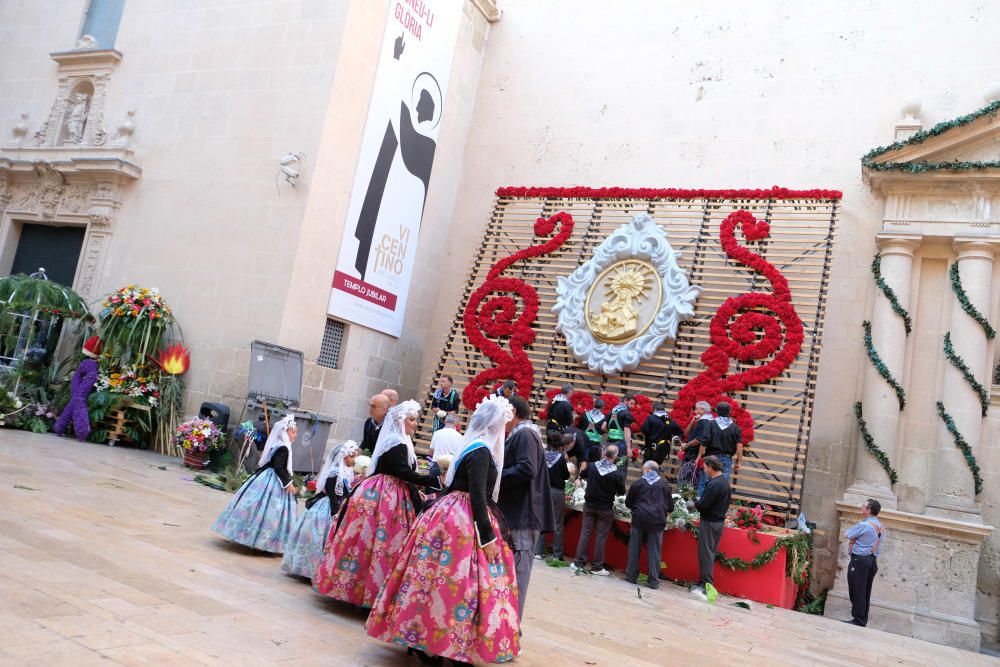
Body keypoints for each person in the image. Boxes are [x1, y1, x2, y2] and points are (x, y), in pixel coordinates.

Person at [366, 395, 521, 665]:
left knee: (432, 579)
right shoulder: (482, 450)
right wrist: (487, 538)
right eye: (504, 424)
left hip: (448, 514)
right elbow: (476, 494)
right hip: (463, 521)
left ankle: (424, 637)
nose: (505, 430)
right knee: (459, 585)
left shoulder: (472, 445)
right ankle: (443, 642)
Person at [313, 401, 440, 608]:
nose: (415, 424)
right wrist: (430, 480)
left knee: (382, 542)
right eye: (412, 419)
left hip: (393, 494)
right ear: (401, 420)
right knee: (372, 539)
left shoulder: (401, 441)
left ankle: (373, 591)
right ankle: (360, 590)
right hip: (384, 495)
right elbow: (402, 472)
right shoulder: (395, 442)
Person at [498, 395, 554, 620]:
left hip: (523, 515)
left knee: (516, 579)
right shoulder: (520, 434)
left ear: (513, 412)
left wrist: (496, 477)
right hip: (517, 514)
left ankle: (511, 632)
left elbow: (526, 469)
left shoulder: (525, 434)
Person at [212, 415, 299, 553]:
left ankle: (249, 535)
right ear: (285, 431)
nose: (295, 435)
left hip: (265, 476)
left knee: (257, 507)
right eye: (293, 432)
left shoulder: (278, 444)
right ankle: (262, 540)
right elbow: (279, 467)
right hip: (274, 479)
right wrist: (288, 483)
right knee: (269, 511)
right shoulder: (283, 447)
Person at [281, 441, 358, 578]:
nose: (354, 459)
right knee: (319, 538)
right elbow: (333, 496)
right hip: (327, 508)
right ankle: (311, 569)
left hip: (338, 505)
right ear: (343, 457)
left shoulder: (347, 472)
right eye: (351, 456)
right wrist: (336, 514)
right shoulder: (334, 473)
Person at [571, 444, 626, 576]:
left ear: (604, 453)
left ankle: (578, 562)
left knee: (585, 533)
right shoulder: (617, 473)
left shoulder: (592, 466)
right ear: (615, 456)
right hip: (605, 509)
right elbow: (621, 492)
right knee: (601, 537)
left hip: (589, 506)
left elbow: (582, 475)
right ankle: (597, 567)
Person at [624, 461, 674, 589]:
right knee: (655, 551)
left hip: (639, 518)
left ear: (647, 469)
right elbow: (670, 507)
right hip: (657, 521)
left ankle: (631, 576)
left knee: (634, 548)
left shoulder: (638, 483)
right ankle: (653, 581)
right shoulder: (665, 485)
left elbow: (628, 503)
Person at [691, 455, 731, 601]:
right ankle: (704, 581)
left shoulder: (714, 484)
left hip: (709, 522)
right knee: (709, 552)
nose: (704, 469)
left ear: (711, 467)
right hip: (718, 522)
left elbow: (703, 506)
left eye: (706, 466)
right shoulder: (725, 483)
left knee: (705, 553)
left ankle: (706, 584)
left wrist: (694, 502)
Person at [843, 499, 884, 627]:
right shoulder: (881, 526)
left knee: (856, 589)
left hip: (860, 560)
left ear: (869, 510)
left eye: (864, 506)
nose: (861, 507)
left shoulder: (864, 525)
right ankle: (862, 619)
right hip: (872, 561)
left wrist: (855, 537)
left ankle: (858, 619)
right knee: (865, 591)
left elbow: (847, 534)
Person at [534, 432, 573, 561]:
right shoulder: (561, 458)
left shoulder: (542, 455)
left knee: (541, 520)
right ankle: (557, 555)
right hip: (557, 492)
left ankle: (537, 552)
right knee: (558, 524)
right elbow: (566, 475)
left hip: (542, 490)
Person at [698, 401, 742, 497]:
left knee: (704, 483)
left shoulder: (710, 424)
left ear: (717, 411)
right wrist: (739, 462)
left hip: (710, 457)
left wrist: (699, 456)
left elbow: (704, 442)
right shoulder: (735, 428)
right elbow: (739, 446)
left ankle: (699, 507)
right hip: (726, 459)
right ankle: (715, 507)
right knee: (721, 485)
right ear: (729, 412)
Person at [679, 401, 713, 492]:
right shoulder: (701, 421)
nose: (695, 411)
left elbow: (699, 439)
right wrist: (692, 421)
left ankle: (682, 500)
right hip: (691, 454)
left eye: (697, 409)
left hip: (693, 455)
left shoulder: (705, 422)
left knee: (686, 480)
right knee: (688, 480)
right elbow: (686, 434)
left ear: (703, 410)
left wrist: (687, 445)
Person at [607, 393, 636, 468]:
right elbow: (627, 431)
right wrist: (629, 448)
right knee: (620, 466)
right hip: (621, 445)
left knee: (607, 466)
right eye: (631, 403)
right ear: (625, 401)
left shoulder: (612, 411)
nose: (632, 406)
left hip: (609, 443)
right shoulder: (626, 413)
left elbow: (603, 427)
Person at [579, 397, 607, 463]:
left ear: (593, 405)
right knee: (593, 465)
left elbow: (580, 428)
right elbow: (603, 430)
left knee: (582, 463)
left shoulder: (584, 415)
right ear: (603, 407)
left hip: (584, 444)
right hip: (595, 445)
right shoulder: (604, 419)